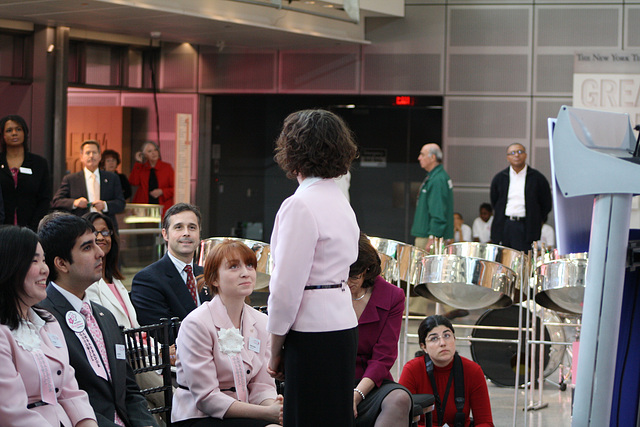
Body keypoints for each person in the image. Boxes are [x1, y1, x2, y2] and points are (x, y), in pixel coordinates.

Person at [266, 109, 360, 427]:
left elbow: (284, 289)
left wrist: (274, 348)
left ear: (292, 151)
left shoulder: (299, 204)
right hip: (343, 323)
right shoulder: (342, 202)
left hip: (310, 330)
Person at [38, 214, 158, 427]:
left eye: (97, 243)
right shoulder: (43, 320)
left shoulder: (104, 316)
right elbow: (64, 401)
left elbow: (129, 389)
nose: (100, 252)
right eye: (87, 247)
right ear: (61, 263)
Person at [172, 240, 282, 427]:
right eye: (233, 267)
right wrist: (266, 414)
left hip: (246, 411)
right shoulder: (196, 323)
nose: (245, 273)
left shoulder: (262, 322)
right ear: (214, 279)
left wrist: (275, 409)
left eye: (249, 265)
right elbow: (207, 398)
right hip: (198, 417)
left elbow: (262, 386)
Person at [0, 226, 98, 427]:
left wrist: (88, 423)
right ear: (10, 266)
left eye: (44, 260)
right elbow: (11, 413)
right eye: (34, 261)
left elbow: (71, 392)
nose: (45, 269)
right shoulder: (3, 333)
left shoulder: (48, 322)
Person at [349, 233, 412, 427]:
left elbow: (384, 356)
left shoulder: (392, 296)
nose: (348, 281)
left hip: (372, 382)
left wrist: (357, 394)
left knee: (399, 399)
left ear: (367, 269)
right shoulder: (328, 288)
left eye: (355, 276)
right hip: (332, 378)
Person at [131, 203, 210, 340]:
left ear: (199, 234)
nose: (186, 233)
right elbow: (162, 333)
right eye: (178, 227)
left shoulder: (208, 275)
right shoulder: (147, 280)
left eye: (192, 227)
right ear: (165, 234)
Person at [399, 315, 494, 427]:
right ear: (423, 347)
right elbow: (401, 419)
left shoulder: (473, 370)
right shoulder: (412, 370)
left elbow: (485, 422)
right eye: (434, 338)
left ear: (454, 339)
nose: (443, 343)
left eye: (447, 335)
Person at [490, 143, 552, 252]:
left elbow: (546, 203)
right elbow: (494, 201)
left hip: (526, 226)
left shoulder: (537, 178)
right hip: (505, 224)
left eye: (520, 152)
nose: (516, 155)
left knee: (523, 261)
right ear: (507, 157)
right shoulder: (500, 178)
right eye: (512, 153)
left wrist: (536, 220)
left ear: (525, 155)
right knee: (503, 261)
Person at [51, 140, 125, 227]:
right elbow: (56, 201)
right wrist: (75, 203)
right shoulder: (71, 179)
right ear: (81, 157)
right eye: (88, 153)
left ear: (100, 156)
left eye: (94, 152)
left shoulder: (112, 177)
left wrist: (105, 205)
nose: (91, 156)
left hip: (106, 227)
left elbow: (121, 203)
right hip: (80, 227)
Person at [0, 114, 52, 230]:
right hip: (2, 229)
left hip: (32, 228)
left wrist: (34, 226)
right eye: (9, 130)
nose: (14, 133)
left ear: (25, 133)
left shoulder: (39, 163)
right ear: (3, 135)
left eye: (18, 129)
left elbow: (45, 199)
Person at [411, 143, 454, 252]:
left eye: (422, 154)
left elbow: (438, 212)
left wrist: (432, 237)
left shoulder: (437, 179)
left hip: (428, 237)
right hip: (429, 235)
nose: (419, 158)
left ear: (433, 157)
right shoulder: (436, 177)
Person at [129, 141, 174, 213]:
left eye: (155, 150)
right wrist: (138, 163)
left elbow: (175, 189)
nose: (154, 153)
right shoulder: (142, 167)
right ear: (145, 155)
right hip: (144, 208)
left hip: (163, 206)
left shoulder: (167, 167)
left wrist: (162, 191)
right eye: (149, 151)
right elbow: (133, 182)